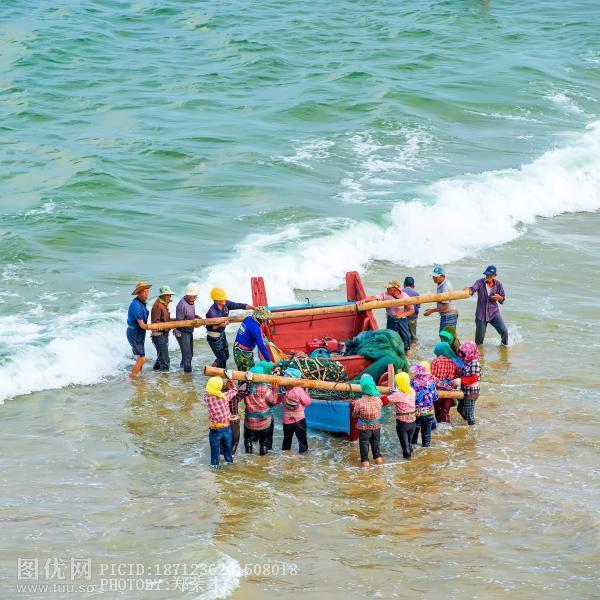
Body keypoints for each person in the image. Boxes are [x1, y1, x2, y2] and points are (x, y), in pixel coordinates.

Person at [361, 280, 414, 354]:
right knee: (389, 337)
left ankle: (407, 353)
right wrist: (364, 300)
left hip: (402, 319)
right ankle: (391, 353)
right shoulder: (385, 294)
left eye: (389, 288)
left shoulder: (405, 296)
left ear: (395, 289)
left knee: (405, 337)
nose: (387, 289)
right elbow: (374, 297)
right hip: (391, 320)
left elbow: (411, 310)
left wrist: (401, 315)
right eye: (387, 288)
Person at [205, 288, 253, 369]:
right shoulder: (212, 312)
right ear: (217, 300)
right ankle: (220, 373)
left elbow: (238, 305)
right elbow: (212, 327)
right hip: (214, 336)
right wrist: (221, 325)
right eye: (222, 298)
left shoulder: (225, 304)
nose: (224, 299)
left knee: (226, 355)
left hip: (221, 334)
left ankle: (211, 369)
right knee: (222, 358)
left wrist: (252, 307)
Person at [352, 374, 387, 468]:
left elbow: (354, 415)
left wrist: (355, 406)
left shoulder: (359, 402)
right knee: (376, 444)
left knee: (364, 445)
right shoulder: (378, 400)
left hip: (364, 428)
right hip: (376, 426)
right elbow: (379, 410)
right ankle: (379, 463)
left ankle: (365, 468)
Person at [469, 265, 508, 346]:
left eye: (490, 275)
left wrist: (499, 298)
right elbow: (473, 289)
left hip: (494, 313)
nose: (487, 277)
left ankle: (504, 349)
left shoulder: (498, 285)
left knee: (504, 332)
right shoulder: (480, 282)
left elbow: (502, 299)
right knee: (479, 341)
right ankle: (479, 353)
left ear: (494, 276)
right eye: (486, 274)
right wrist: (469, 290)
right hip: (481, 315)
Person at [277, 368, 311, 453]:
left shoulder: (282, 390)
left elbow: (276, 401)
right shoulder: (298, 390)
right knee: (302, 442)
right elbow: (307, 402)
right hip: (299, 420)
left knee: (287, 440)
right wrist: (306, 392)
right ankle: (303, 458)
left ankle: (285, 457)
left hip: (286, 420)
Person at [243, 366, 275, 455]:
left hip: (249, 421)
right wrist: (275, 390)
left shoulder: (245, 387)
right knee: (263, 443)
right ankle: (263, 459)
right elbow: (273, 401)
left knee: (247, 439)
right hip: (263, 421)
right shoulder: (265, 388)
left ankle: (248, 456)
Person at [203, 377, 234, 468]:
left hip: (215, 429)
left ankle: (215, 468)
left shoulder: (207, 398)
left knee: (215, 451)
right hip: (226, 428)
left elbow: (208, 393)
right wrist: (230, 379)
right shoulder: (225, 396)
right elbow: (235, 390)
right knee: (228, 449)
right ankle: (230, 465)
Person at [430, 342, 463, 424]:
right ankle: (447, 427)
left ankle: (439, 426)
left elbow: (431, 377)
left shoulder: (435, 362)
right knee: (446, 412)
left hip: (438, 392)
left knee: (437, 412)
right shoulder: (453, 363)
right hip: (449, 392)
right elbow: (456, 378)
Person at [386, 372, 416, 460]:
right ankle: (413, 458)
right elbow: (404, 395)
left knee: (405, 448)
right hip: (413, 421)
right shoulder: (412, 391)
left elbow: (384, 400)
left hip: (402, 424)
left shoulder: (397, 395)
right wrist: (395, 392)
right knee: (409, 444)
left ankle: (408, 462)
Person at [233, 307, 273, 372]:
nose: (264, 321)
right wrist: (269, 360)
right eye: (264, 319)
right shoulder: (255, 328)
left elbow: (248, 333)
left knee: (243, 372)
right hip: (243, 353)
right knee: (249, 374)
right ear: (259, 318)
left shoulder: (248, 318)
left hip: (237, 348)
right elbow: (261, 346)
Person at [175, 282, 202, 373]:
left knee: (189, 355)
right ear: (187, 294)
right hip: (182, 332)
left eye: (195, 296)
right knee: (187, 356)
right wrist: (194, 324)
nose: (193, 298)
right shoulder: (181, 305)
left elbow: (188, 315)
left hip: (189, 331)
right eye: (191, 296)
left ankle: (182, 372)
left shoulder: (191, 301)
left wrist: (196, 316)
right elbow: (179, 323)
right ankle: (188, 377)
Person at [410, 364, 438, 448]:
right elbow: (436, 397)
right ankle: (426, 451)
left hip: (416, 413)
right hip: (428, 412)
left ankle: (413, 450)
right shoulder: (431, 383)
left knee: (413, 437)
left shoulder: (412, 383)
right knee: (426, 436)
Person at [126, 281, 151, 378]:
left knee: (140, 357)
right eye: (144, 292)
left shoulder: (142, 303)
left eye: (147, 291)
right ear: (139, 293)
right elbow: (142, 325)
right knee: (142, 358)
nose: (147, 294)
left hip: (140, 333)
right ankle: (132, 378)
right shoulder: (136, 305)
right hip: (134, 333)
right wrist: (155, 327)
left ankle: (140, 378)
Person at [424, 266, 459, 333]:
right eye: (433, 276)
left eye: (435, 276)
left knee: (445, 337)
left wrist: (431, 311)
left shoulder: (444, 287)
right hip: (448, 314)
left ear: (442, 276)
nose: (433, 278)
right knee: (449, 336)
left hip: (449, 316)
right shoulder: (443, 283)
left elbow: (445, 306)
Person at [150, 285, 175, 371]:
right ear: (163, 296)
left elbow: (166, 320)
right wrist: (170, 325)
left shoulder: (163, 304)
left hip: (162, 335)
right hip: (159, 335)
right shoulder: (158, 306)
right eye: (168, 295)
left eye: (170, 295)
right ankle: (164, 378)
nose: (169, 297)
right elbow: (156, 323)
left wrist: (177, 321)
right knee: (165, 361)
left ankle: (156, 375)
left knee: (160, 358)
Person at [456, 341, 481, 426]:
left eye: (464, 354)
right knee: (460, 409)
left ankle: (472, 427)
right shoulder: (467, 362)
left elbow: (474, 378)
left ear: (470, 352)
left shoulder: (475, 363)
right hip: (465, 391)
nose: (462, 356)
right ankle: (468, 422)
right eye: (462, 354)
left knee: (468, 412)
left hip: (472, 392)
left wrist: (461, 381)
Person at [223, 373, 244, 455]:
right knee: (235, 441)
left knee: (224, 441)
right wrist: (249, 381)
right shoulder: (235, 397)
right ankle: (232, 455)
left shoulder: (219, 397)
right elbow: (247, 391)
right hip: (234, 422)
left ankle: (224, 455)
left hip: (224, 422)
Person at [402, 276, 420, 345]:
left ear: (404, 285)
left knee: (403, 335)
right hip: (412, 317)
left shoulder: (400, 293)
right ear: (413, 286)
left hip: (402, 317)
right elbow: (417, 308)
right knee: (413, 336)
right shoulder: (416, 294)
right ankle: (414, 348)